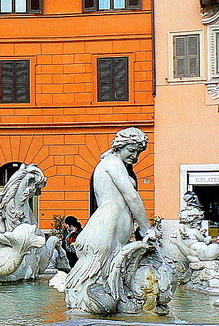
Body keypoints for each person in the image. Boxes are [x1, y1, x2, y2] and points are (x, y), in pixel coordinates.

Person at [65, 128, 155, 313]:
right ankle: (84, 307)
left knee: (105, 274)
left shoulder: (117, 164)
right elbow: (131, 196)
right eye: (131, 150)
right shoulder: (111, 163)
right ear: (120, 146)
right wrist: (147, 229)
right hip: (105, 227)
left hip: (113, 231)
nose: (135, 156)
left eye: (139, 152)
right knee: (92, 273)